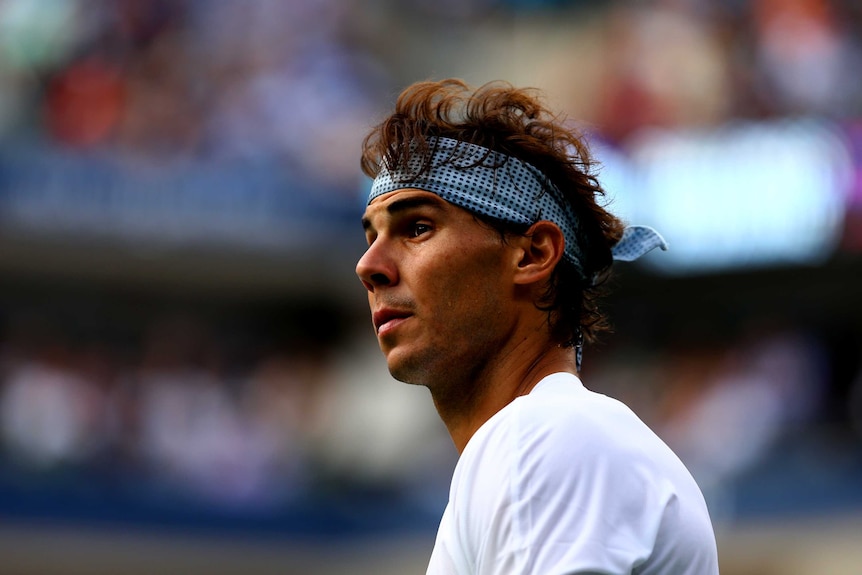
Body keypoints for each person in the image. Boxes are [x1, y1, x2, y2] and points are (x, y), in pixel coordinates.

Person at [355, 78, 719, 575]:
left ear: (532, 253)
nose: (368, 265)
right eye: (371, 235)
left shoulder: (545, 435)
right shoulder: (540, 444)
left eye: (417, 228)